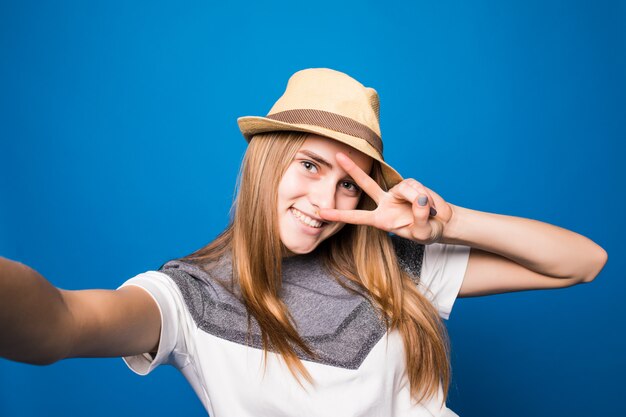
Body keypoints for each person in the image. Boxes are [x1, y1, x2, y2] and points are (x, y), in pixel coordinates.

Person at [0, 68, 608, 416]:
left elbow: (582, 263)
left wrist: (446, 222)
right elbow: (60, 323)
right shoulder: (189, 297)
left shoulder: (388, 263)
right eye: (312, 166)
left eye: (351, 184)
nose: (328, 202)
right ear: (268, 161)